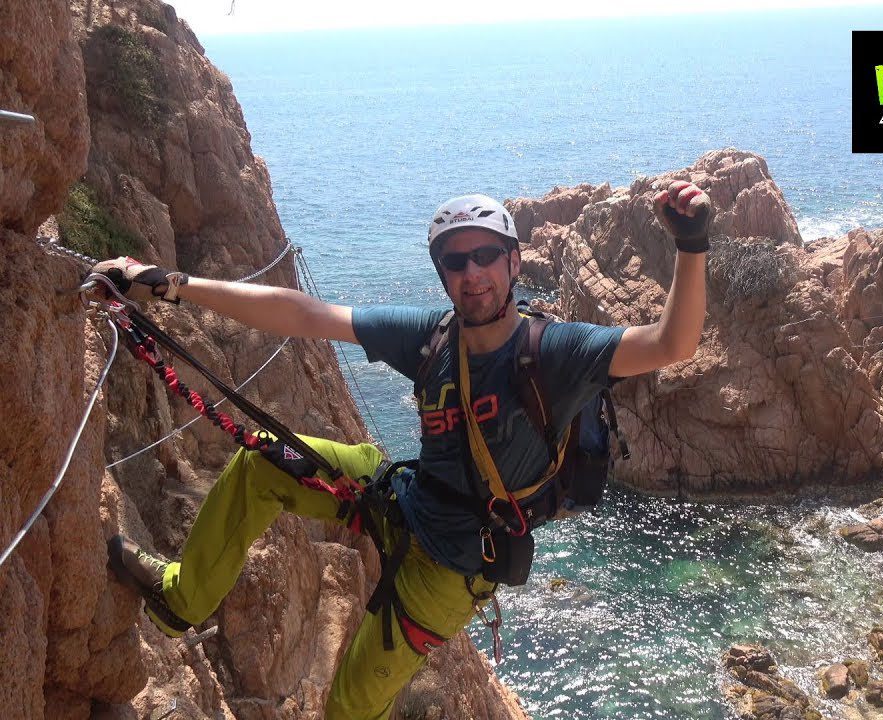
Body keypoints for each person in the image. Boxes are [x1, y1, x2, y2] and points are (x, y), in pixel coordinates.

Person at [94, 180, 712, 720]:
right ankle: (183, 599)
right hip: (406, 499)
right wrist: (172, 286)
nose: (472, 273)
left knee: (351, 708)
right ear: (442, 273)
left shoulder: (555, 353)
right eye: (455, 262)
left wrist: (690, 244)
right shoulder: (431, 338)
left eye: (486, 256)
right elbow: (304, 314)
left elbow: (672, 342)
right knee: (261, 462)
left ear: (515, 262)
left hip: (451, 564)